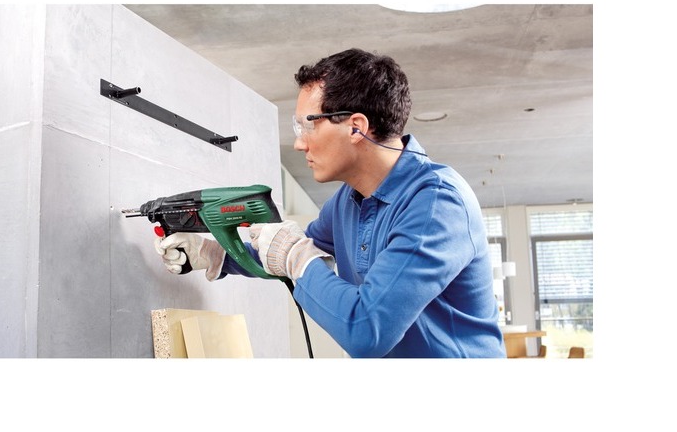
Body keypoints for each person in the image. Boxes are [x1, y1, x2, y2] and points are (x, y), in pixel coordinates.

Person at [155, 48, 505, 358]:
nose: (299, 144)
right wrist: (215, 254)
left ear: (356, 128)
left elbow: (367, 331)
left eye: (307, 126)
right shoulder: (346, 202)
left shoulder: (436, 203)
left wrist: (296, 256)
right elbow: (286, 253)